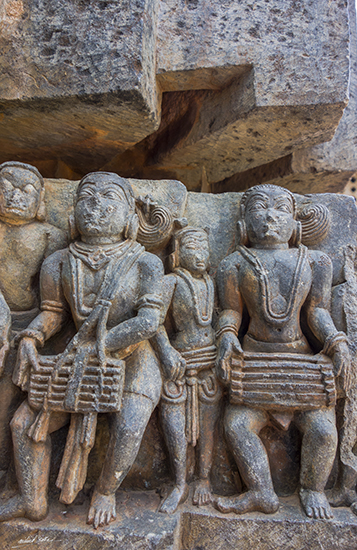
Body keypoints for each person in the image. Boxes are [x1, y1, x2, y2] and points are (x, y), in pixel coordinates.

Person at [0, 171, 165, 529]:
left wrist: (101, 345)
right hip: (78, 356)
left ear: (129, 219)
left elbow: (149, 322)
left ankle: (105, 490)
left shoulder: (146, 263)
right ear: (73, 215)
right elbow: (53, 314)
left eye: (109, 199)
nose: (96, 206)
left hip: (134, 357)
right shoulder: (58, 262)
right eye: (87, 198)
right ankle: (31, 501)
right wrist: (31, 337)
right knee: (23, 422)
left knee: (129, 424)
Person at [215, 184, 350, 520]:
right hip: (255, 360)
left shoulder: (315, 261)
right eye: (259, 207)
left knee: (322, 430)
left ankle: (312, 488)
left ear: (295, 224)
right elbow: (231, 311)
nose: (270, 216)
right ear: (244, 223)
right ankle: (261, 491)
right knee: (236, 425)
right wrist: (227, 337)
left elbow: (317, 311)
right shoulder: (232, 264)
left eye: (280, 209)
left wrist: (335, 341)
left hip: (299, 360)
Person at [0, 161, 66, 476]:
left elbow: (54, 302)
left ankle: (6, 468)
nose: (16, 197)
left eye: (26, 191)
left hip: (37, 326)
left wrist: (31, 333)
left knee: (9, 401)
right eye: (6, 188)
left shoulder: (48, 236)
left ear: (40, 201)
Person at [154, 227, 221, 513]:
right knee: (174, 427)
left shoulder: (212, 282)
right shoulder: (170, 282)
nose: (200, 253)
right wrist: (167, 351)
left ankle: (204, 478)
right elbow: (153, 322)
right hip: (179, 364)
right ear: (176, 254)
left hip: (208, 364)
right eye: (192, 246)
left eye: (204, 247)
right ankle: (179, 482)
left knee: (208, 426)